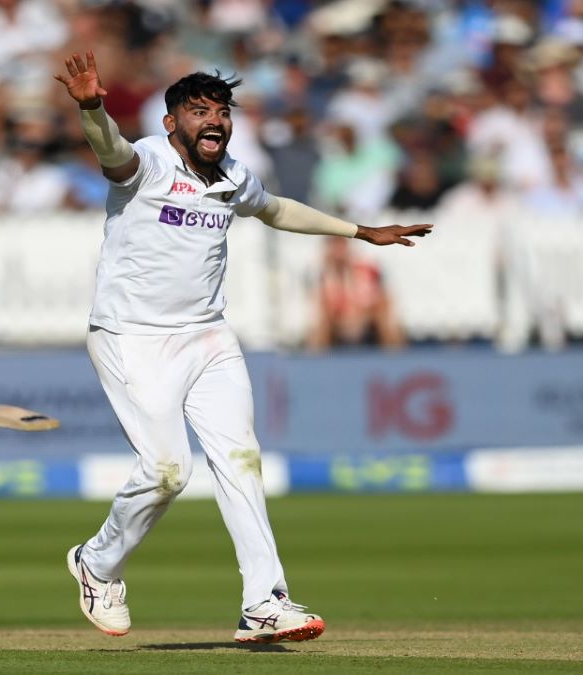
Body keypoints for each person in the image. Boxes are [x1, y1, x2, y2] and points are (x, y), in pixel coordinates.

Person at [53, 52, 432, 643]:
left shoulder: (233, 173)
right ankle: (97, 562)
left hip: (208, 336)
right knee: (167, 472)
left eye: (222, 111)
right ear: (172, 120)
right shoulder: (148, 161)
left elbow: (277, 210)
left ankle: (265, 601)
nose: (215, 121)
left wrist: (360, 232)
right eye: (199, 111)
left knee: (240, 461)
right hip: (132, 337)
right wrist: (92, 108)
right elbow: (112, 154)